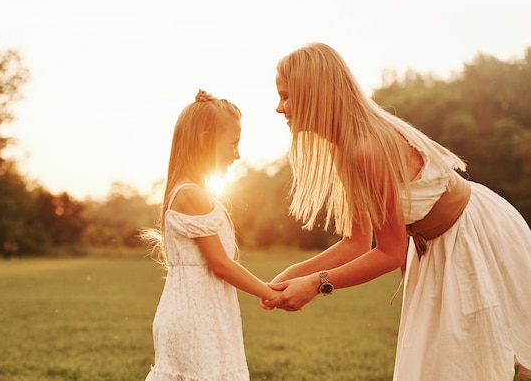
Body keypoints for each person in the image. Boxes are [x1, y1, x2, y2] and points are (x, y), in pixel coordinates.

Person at [262, 42, 531, 380]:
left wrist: (316, 284)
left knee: (476, 363)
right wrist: (292, 274)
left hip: (471, 235)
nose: (278, 107)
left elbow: (388, 252)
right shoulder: (347, 146)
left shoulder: (366, 149)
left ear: (313, 93)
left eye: (286, 96)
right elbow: (355, 243)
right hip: (437, 245)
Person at [144, 90, 282, 381]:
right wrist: (270, 293)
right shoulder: (191, 195)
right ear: (206, 139)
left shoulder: (192, 192)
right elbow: (221, 264)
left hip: (204, 312)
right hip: (196, 317)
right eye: (233, 143)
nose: (237, 154)